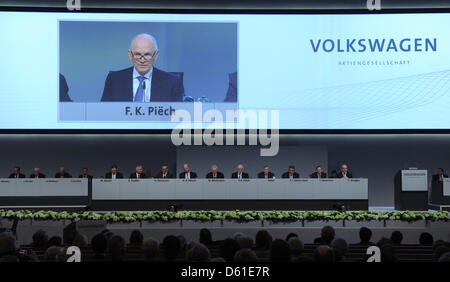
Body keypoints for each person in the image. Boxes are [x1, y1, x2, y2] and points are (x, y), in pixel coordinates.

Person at [101, 33, 184, 102]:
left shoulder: (172, 82)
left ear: (156, 55)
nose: (142, 60)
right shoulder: (114, 80)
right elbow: (103, 112)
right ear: (130, 55)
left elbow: (177, 116)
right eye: (137, 54)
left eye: (147, 55)